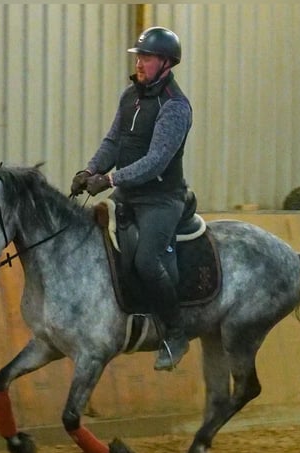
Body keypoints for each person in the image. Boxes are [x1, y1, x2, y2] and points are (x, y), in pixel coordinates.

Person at [71, 26, 192, 371]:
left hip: (161, 200)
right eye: (139, 57)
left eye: (147, 58)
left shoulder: (175, 107)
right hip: (128, 194)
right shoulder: (130, 96)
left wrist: (108, 179)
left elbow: (156, 160)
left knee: (146, 261)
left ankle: (175, 333)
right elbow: (114, 142)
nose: (140, 63)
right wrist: (89, 169)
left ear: (166, 63)